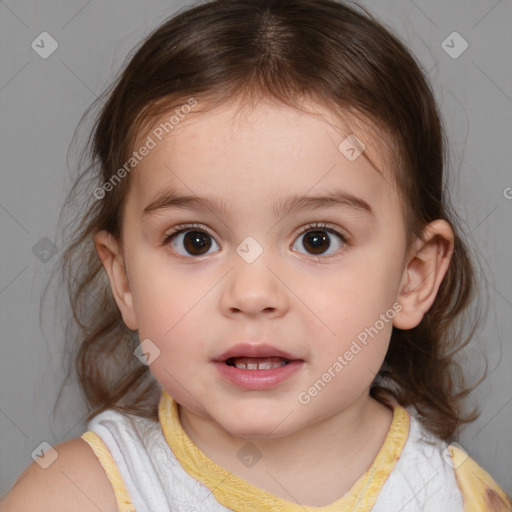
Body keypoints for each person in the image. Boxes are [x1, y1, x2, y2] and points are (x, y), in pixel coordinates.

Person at [2, 0, 510, 510]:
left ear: (412, 278)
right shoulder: (75, 496)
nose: (252, 294)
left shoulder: (461, 499)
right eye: (194, 240)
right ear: (125, 280)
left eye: (318, 240)